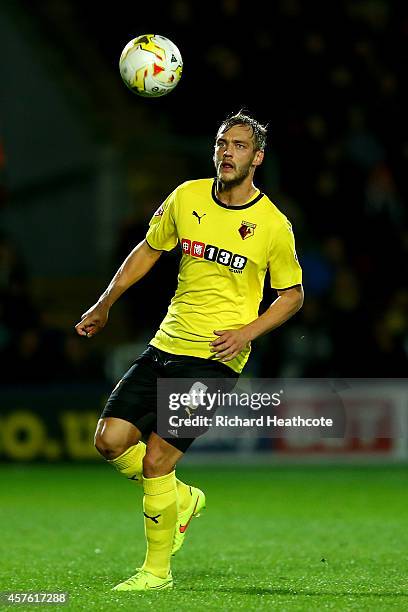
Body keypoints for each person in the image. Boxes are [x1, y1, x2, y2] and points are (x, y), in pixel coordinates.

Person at [75, 111, 304, 592]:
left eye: (240, 146)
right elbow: (149, 248)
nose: (227, 152)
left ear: (257, 158)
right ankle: (182, 499)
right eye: (222, 143)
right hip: (165, 343)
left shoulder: (272, 225)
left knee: (157, 459)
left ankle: (156, 572)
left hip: (214, 358)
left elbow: (292, 294)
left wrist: (247, 333)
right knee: (109, 441)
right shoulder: (186, 196)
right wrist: (105, 303)